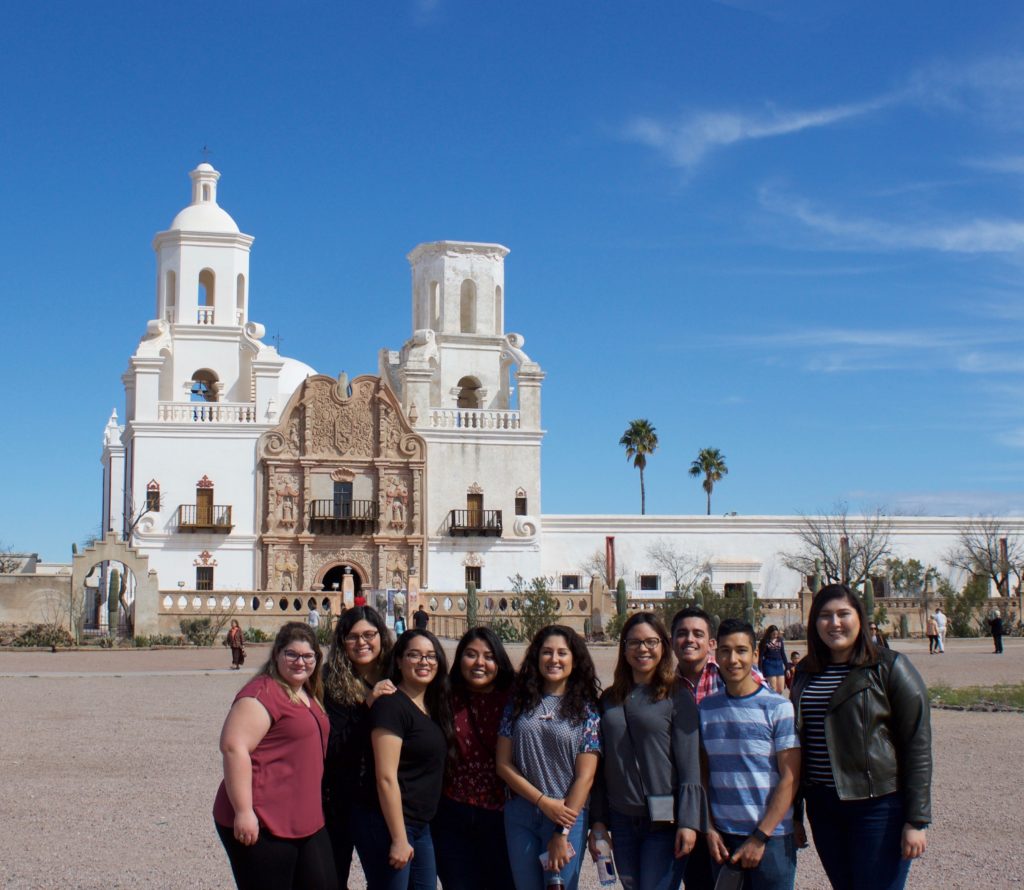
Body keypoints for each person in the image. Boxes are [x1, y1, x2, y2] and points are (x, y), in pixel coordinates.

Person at [791, 584, 932, 890]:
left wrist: (916, 820)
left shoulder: (889, 666)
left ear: (860, 618)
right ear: (814, 623)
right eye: (825, 616)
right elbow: (796, 745)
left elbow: (916, 745)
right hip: (823, 805)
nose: (835, 623)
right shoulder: (806, 671)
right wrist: (795, 812)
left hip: (877, 805)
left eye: (844, 614)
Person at [213, 622, 337, 890]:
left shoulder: (306, 691)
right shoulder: (263, 693)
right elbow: (234, 747)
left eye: (308, 655)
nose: (300, 662)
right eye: (292, 654)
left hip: (305, 817)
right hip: (265, 818)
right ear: (277, 655)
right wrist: (244, 812)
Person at [588, 612, 702, 890]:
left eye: (651, 641)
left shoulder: (676, 695)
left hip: (663, 819)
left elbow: (690, 763)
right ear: (624, 649)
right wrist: (599, 821)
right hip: (622, 817)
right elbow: (600, 767)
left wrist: (689, 822)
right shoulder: (610, 698)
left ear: (663, 646)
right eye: (634, 642)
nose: (642, 649)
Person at [497, 624, 602, 890]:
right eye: (546, 652)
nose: (554, 659)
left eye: (562, 653)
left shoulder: (586, 710)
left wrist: (561, 831)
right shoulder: (518, 703)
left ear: (574, 660)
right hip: (521, 811)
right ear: (536, 657)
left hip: (567, 815)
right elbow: (503, 764)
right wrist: (543, 802)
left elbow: (585, 776)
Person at [670, 606, 767, 890]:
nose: (690, 640)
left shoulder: (733, 672)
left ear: (711, 643)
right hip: (687, 799)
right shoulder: (665, 685)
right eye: (682, 634)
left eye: (698, 634)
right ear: (672, 641)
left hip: (732, 798)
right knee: (698, 878)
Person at [700, 618, 800, 890]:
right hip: (723, 837)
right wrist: (708, 827)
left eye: (741, 650)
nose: (733, 659)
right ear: (715, 654)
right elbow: (703, 774)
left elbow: (790, 777)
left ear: (755, 654)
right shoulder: (706, 709)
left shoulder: (778, 708)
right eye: (725, 651)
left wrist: (760, 836)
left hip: (771, 838)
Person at [353, 629, 453, 890]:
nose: (424, 662)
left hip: (419, 825)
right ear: (398, 660)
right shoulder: (391, 706)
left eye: (431, 656)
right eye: (414, 655)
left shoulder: (432, 705)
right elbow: (385, 777)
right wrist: (398, 838)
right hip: (391, 824)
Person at [433, 627, 517, 890]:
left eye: (489, 656)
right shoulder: (443, 694)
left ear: (499, 662)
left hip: (502, 815)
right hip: (452, 813)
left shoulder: (516, 698)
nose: (480, 663)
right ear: (459, 659)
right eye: (471, 655)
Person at [323, 606, 396, 889]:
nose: (362, 643)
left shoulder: (398, 673)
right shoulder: (329, 680)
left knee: (384, 878)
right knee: (332, 876)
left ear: (381, 635)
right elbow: (334, 746)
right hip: (340, 796)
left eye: (369, 635)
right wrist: (367, 705)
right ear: (342, 641)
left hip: (383, 798)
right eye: (352, 637)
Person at [758, 625, 788, 694]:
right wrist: (760, 669)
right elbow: (761, 656)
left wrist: (787, 667)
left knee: (780, 689)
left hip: (779, 664)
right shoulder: (765, 642)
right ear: (770, 633)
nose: (775, 635)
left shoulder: (780, 641)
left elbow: (783, 654)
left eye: (776, 634)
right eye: (773, 634)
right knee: (773, 688)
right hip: (769, 664)